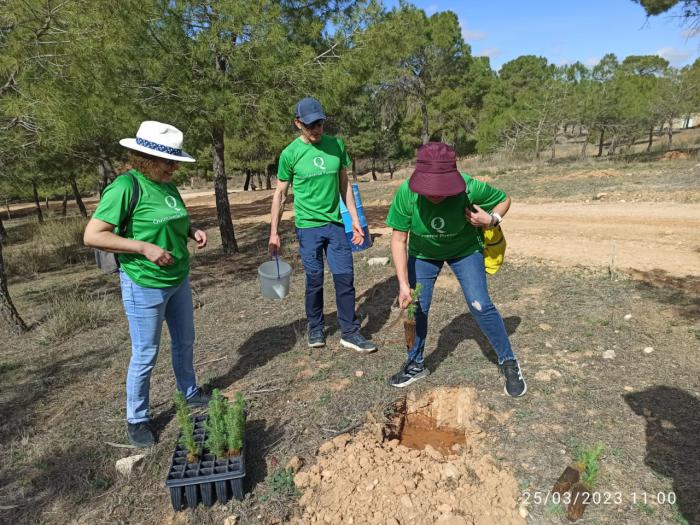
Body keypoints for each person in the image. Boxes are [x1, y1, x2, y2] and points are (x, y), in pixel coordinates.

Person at [83, 121, 211, 447]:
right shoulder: (125, 187)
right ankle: (137, 418)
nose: (174, 168)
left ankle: (190, 392)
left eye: (176, 161)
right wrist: (143, 248)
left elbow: (170, 218)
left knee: (185, 340)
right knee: (145, 354)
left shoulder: (166, 184)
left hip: (177, 278)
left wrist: (190, 231)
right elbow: (93, 235)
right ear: (145, 158)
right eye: (168, 161)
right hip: (144, 283)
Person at [385, 141, 527, 397]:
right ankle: (415, 363)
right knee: (416, 306)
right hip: (424, 254)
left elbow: (504, 199)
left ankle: (508, 361)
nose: (436, 194)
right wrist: (404, 284)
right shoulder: (407, 193)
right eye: (430, 188)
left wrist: (491, 219)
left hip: (464, 250)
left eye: (441, 188)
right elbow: (398, 239)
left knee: (480, 304)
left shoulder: (469, 187)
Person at [268, 97, 376, 352]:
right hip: (308, 227)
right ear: (298, 124)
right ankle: (315, 328)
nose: (316, 129)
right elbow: (280, 195)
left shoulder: (336, 145)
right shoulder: (290, 154)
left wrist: (355, 220)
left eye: (320, 124)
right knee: (314, 279)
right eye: (310, 125)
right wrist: (274, 233)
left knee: (345, 278)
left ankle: (350, 332)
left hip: (336, 225)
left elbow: (344, 184)